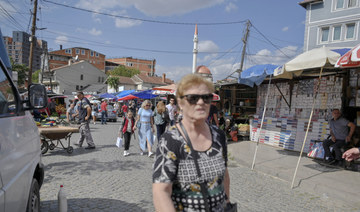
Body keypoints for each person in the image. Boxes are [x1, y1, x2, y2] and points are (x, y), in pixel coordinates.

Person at [153, 74, 232, 211]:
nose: (201, 102)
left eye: (206, 97)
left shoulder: (218, 136)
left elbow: (224, 174)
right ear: (181, 103)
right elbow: (161, 191)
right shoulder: (170, 140)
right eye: (193, 98)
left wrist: (227, 202)